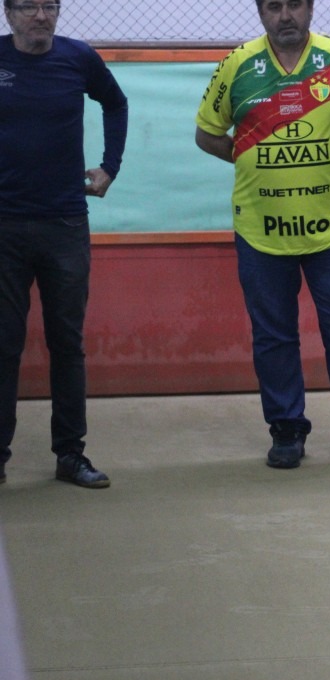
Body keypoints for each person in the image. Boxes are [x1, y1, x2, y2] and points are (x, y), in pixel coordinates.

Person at [194, 0, 330, 474]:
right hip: (260, 233)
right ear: (261, 13)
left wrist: (326, 163)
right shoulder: (237, 66)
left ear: (311, 8)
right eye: (274, 7)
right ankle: (286, 431)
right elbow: (207, 135)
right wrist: (250, 159)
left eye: (295, 5)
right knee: (273, 336)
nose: (286, 16)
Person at [0, 0, 128, 489]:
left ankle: (70, 455)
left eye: (48, 5)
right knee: (3, 345)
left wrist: (109, 166)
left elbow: (115, 103)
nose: (40, 15)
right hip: (5, 227)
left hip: (65, 225)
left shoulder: (78, 59)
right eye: (28, 6)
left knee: (67, 345)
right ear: (9, 13)